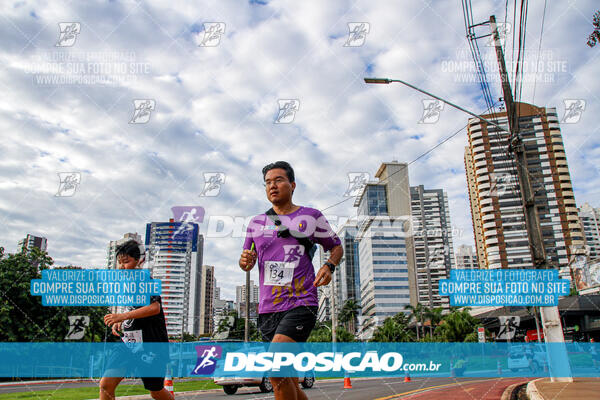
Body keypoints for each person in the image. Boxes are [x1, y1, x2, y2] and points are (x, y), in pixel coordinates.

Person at [240, 161, 343, 400]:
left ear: (292, 185)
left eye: (278, 180)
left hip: (301, 301)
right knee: (289, 382)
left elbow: (336, 247)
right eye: (267, 182)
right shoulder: (256, 223)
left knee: (276, 369)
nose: (272, 186)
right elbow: (246, 262)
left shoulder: (311, 216)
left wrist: (329, 266)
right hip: (267, 308)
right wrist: (245, 259)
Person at [100, 240, 173, 400]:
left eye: (126, 262)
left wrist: (122, 316)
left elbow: (155, 308)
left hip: (151, 345)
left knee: (156, 391)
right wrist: (121, 322)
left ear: (139, 261)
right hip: (128, 343)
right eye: (119, 262)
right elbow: (132, 309)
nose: (121, 266)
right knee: (106, 385)